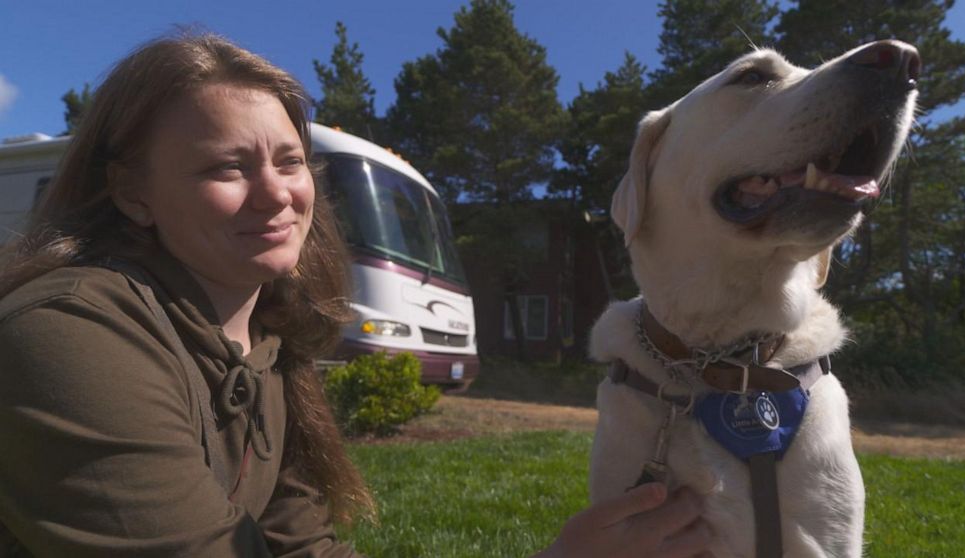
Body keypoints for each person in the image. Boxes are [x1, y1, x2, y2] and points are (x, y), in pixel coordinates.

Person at [0, 32, 709, 557]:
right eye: (226, 167)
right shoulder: (68, 338)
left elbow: (303, 547)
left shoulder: (268, 346)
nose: (278, 194)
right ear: (132, 192)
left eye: (290, 161)